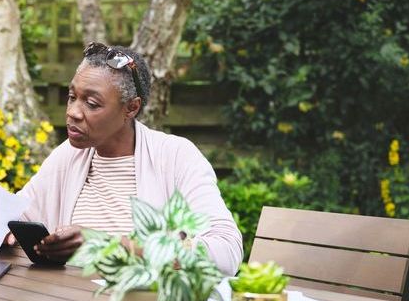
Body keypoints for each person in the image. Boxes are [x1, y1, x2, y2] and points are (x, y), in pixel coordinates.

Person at [16, 42, 243, 275]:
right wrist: (4, 231)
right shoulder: (69, 155)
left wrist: (107, 244)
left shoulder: (176, 157)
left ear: (131, 108)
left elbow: (226, 252)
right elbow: (17, 214)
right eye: (72, 96)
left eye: (92, 104)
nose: (73, 112)